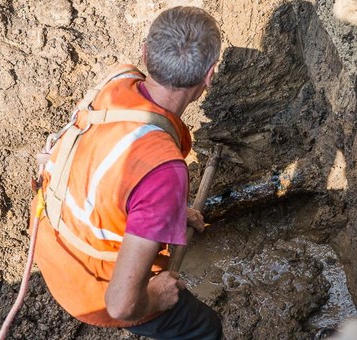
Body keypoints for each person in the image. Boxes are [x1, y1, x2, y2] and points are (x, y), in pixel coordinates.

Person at [32, 6, 222, 339]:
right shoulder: (163, 172)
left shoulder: (118, 80)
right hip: (87, 288)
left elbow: (108, 177)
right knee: (205, 327)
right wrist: (154, 296)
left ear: (145, 52)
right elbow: (120, 304)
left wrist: (170, 212)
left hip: (51, 244)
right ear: (210, 74)